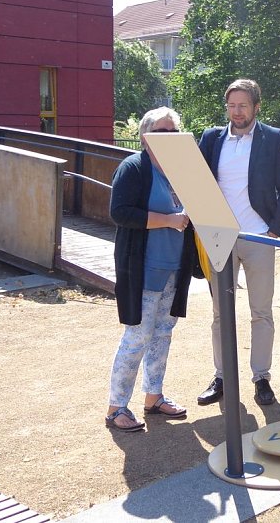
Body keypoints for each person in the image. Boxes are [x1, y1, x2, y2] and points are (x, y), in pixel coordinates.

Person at [196, 78, 280, 407]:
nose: (236, 111)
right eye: (231, 105)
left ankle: (261, 377)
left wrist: (275, 229)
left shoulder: (273, 138)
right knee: (219, 313)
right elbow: (195, 180)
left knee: (261, 312)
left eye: (243, 105)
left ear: (256, 107)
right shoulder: (211, 139)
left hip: (258, 236)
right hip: (218, 236)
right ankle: (221, 377)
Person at [105, 107, 196, 431]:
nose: (168, 138)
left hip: (174, 269)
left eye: (173, 132)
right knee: (137, 337)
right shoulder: (134, 167)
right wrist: (169, 220)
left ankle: (153, 397)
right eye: (160, 132)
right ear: (145, 137)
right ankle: (117, 407)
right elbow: (120, 212)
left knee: (162, 335)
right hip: (143, 269)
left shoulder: (182, 170)